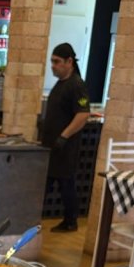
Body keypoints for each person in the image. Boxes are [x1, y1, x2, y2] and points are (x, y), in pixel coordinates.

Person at [42, 42, 90, 232]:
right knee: (58, 183)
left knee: (65, 183)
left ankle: (71, 221)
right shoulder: (61, 83)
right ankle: (67, 219)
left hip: (65, 146)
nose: (53, 66)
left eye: (57, 62)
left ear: (69, 62)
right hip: (52, 144)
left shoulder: (76, 85)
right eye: (52, 62)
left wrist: (64, 136)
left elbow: (83, 114)